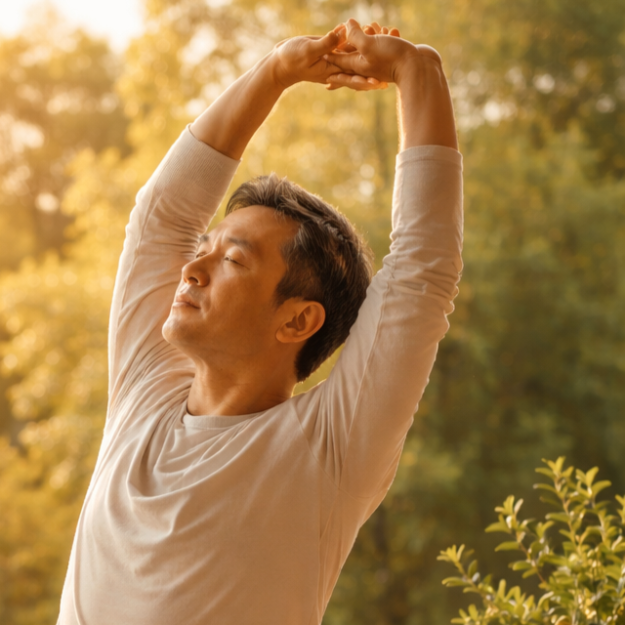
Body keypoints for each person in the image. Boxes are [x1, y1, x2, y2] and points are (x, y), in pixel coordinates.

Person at [56, 18, 463, 625]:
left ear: (298, 320)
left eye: (234, 260)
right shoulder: (144, 392)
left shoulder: (329, 448)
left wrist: (418, 70)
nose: (193, 268)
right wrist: (275, 72)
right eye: (209, 248)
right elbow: (162, 219)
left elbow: (421, 275)